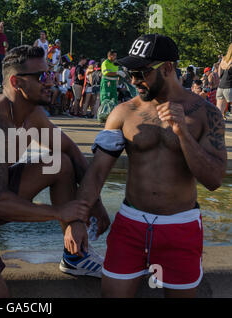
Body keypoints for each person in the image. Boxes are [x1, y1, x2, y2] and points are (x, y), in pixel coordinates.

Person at [0, 45, 108, 298]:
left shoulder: (32, 114)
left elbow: (70, 150)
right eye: (43, 77)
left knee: (60, 163)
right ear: (17, 82)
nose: (52, 81)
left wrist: (91, 205)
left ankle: (74, 257)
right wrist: (59, 212)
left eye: (52, 74)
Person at [68, 34, 226, 298]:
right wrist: (76, 218)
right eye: (130, 72)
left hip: (181, 227)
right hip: (130, 226)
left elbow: (214, 180)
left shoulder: (205, 113)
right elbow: (97, 173)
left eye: (140, 73)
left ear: (167, 68)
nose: (133, 81)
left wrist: (183, 134)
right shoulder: (123, 113)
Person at [216, 43, 232, 119]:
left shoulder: (224, 59)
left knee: (219, 110)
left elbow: (219, 74)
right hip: (229, 86)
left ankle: (213, 126)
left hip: (221, 87)